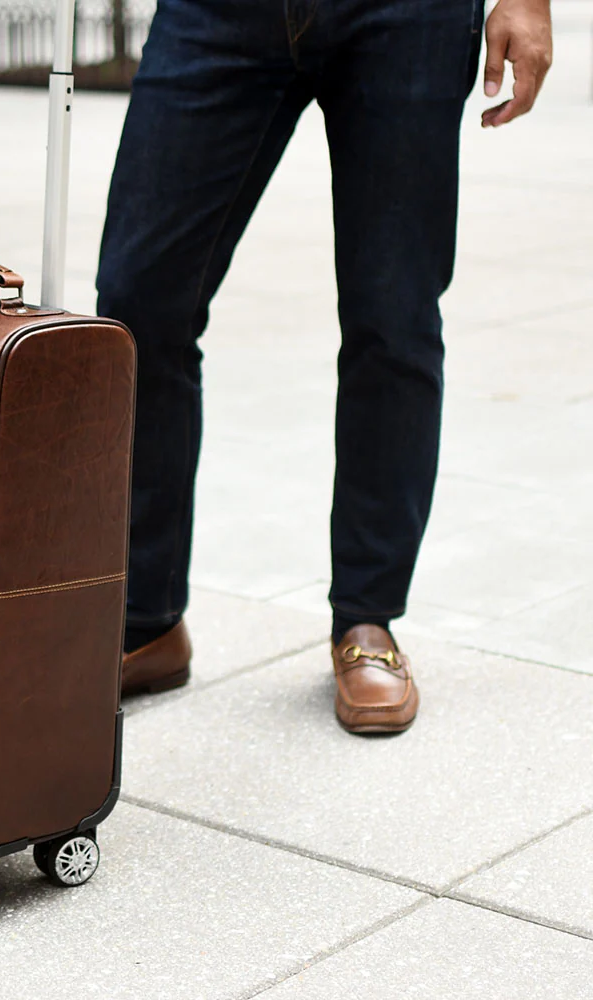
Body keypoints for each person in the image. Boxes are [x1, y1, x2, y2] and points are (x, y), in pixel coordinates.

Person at [97, 0, 553, 732]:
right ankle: (146, 619)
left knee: (393, 316)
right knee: (138, 304)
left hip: (408, 17)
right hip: (218, 16)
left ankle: (367, 620)